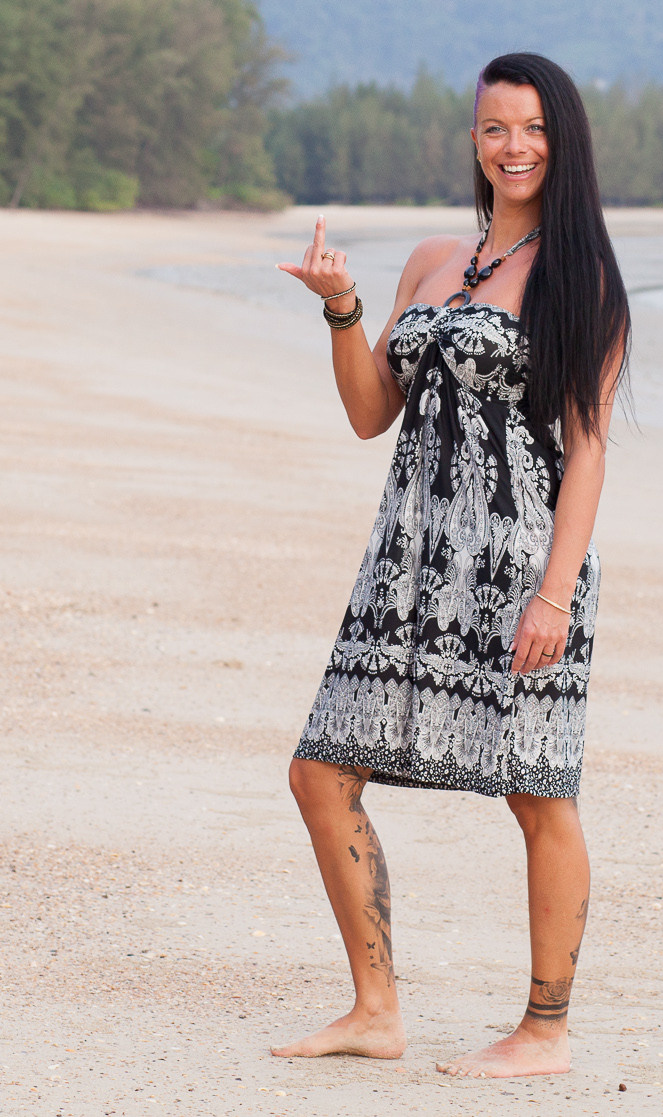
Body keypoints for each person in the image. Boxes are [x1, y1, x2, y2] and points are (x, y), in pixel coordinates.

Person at [269, 53, 631, 1079]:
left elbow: (589, 447)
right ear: (473, 140)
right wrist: (341, 309)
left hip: (517, 567)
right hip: (406, 562)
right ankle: (374, 1009)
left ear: (561, 141)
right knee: (320, 771)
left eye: (530, 129)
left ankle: (544, 1032)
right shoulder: (433, 259)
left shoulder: (580, 276)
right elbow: (367, 413)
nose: (511, 147)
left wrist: (552, 592)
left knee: (537, 789)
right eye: (492, 129)